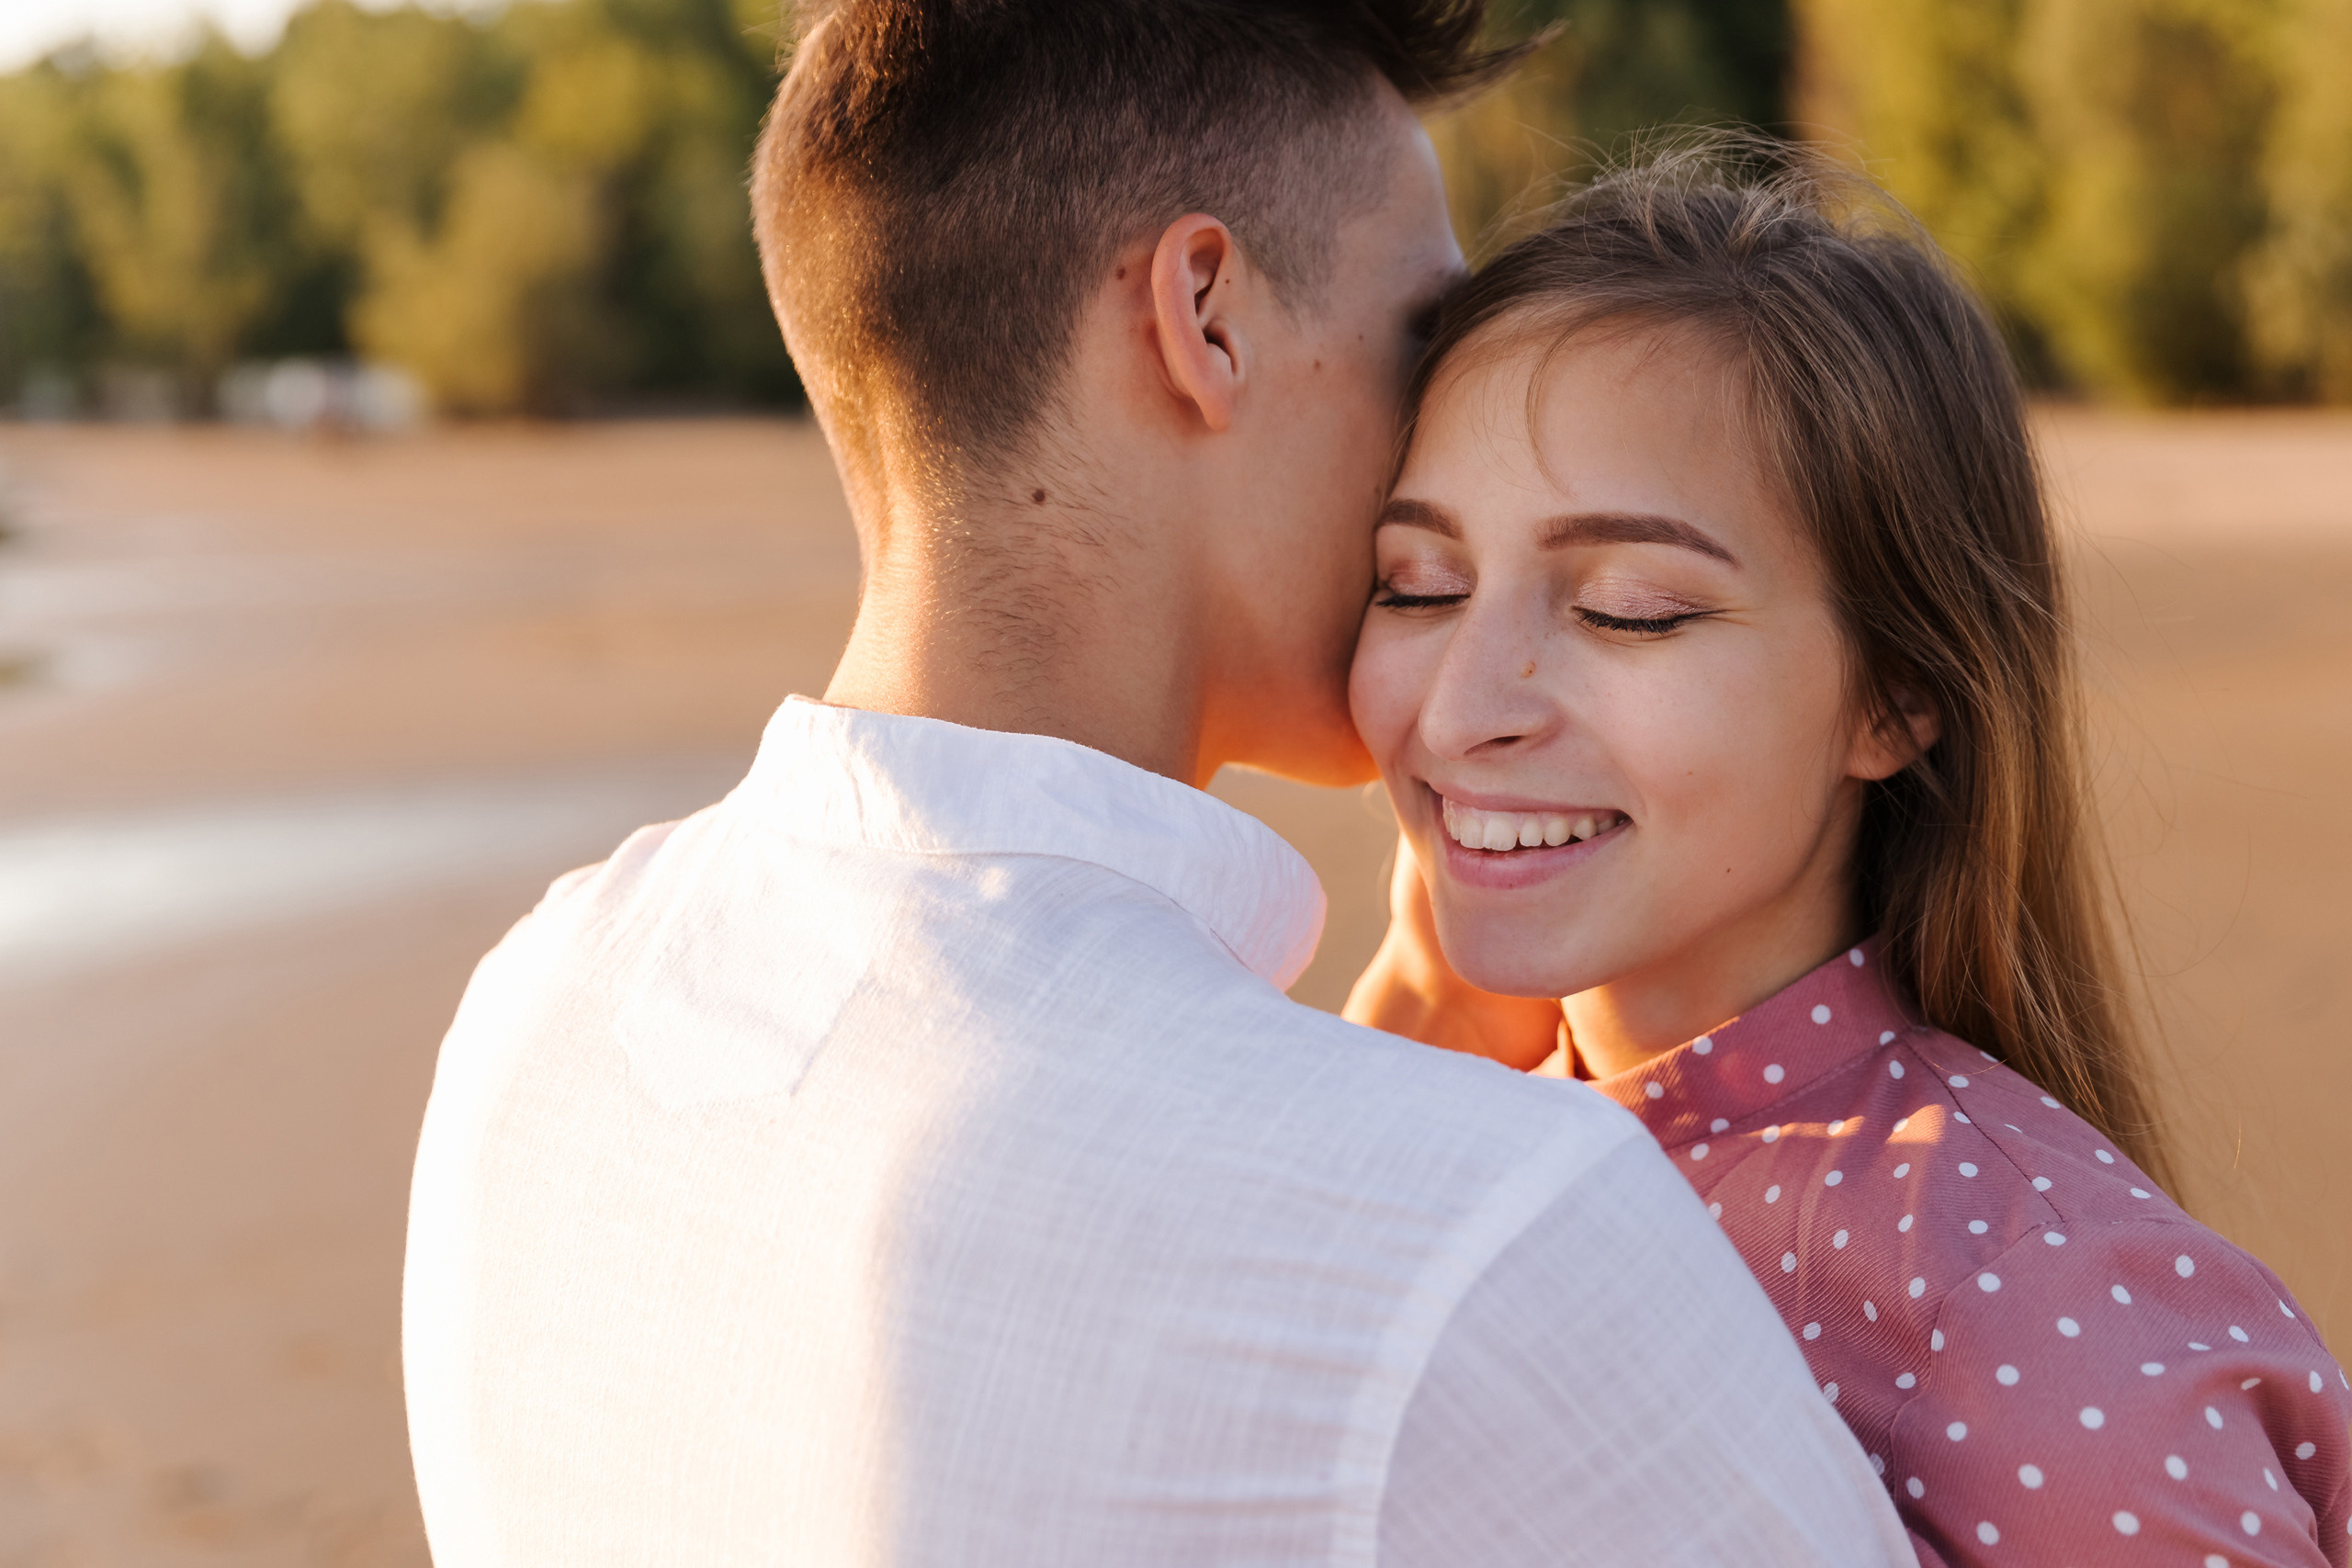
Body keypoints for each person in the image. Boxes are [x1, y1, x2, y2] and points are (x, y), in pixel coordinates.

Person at [402, 6, 1917, 1565]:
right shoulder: (1490, 1229)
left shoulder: (534, 1012)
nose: (1449, 438)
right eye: (1423, 337)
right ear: (1206, 314)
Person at [1344, 140, 2352, 1568]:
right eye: (1417, 585)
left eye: (1632, 609)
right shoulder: (1492, 1121)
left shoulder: (2005, 1286)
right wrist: (1408, 1031)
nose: (1460, 707)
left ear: (1895, 694)